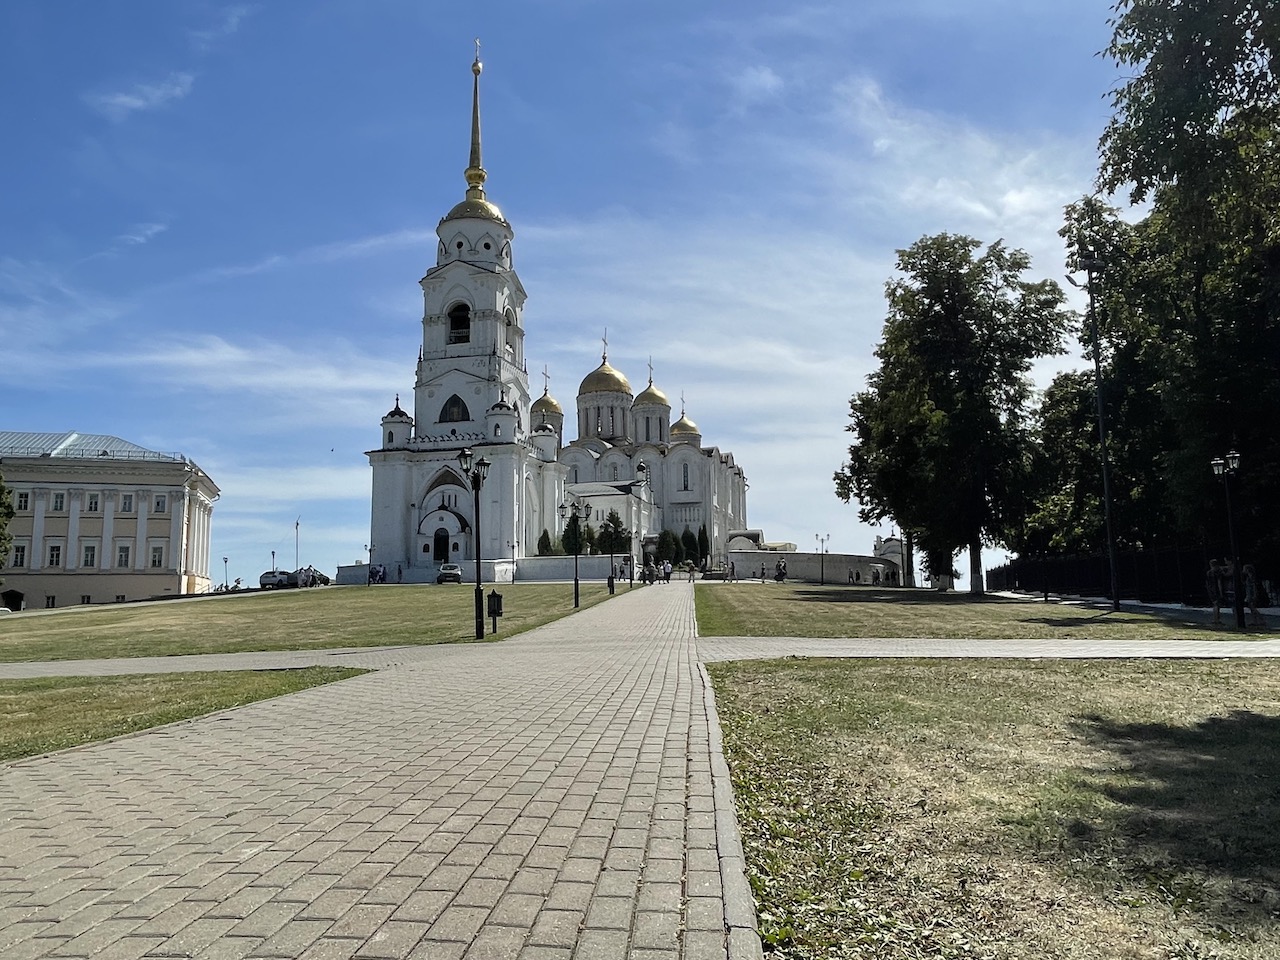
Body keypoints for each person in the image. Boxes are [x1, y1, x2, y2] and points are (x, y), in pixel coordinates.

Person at [1206, 559, 1225, 625]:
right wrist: (1221, 592)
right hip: (1216, 590)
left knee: (1215, 604)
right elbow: (1219, 582)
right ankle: (1217, 619)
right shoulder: (1217, 573)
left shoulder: (1209, 572)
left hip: (1211, 590)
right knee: (1217, 605)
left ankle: (1215, 619)